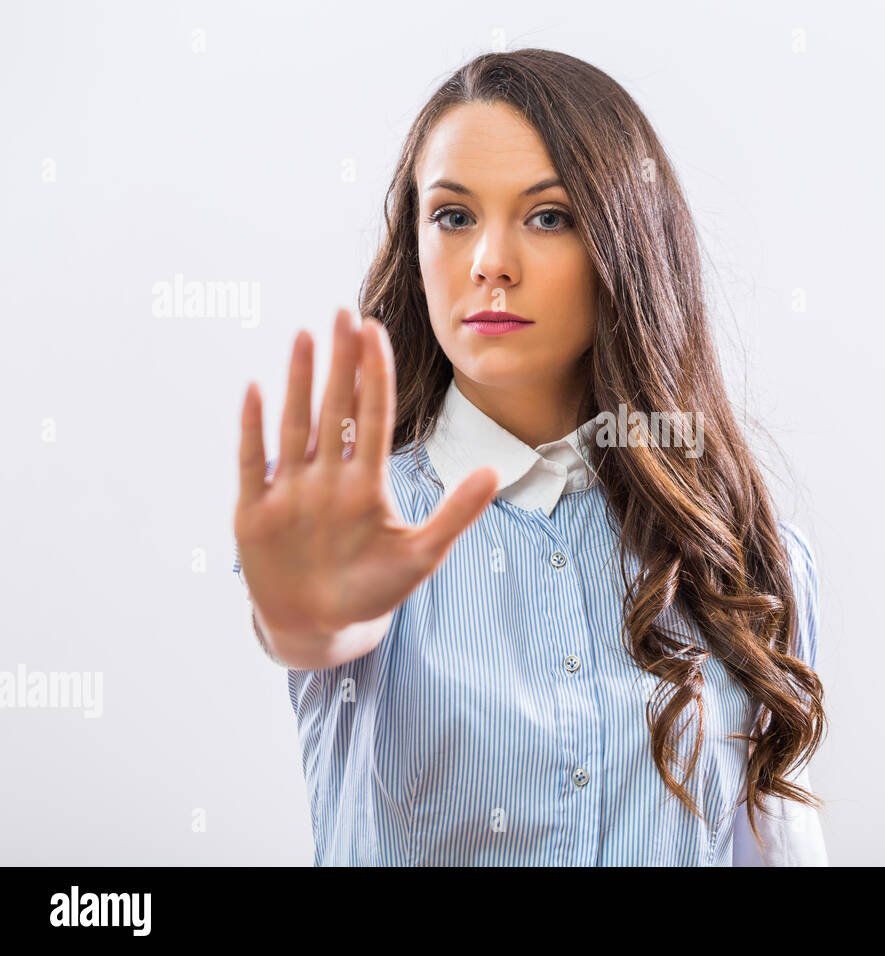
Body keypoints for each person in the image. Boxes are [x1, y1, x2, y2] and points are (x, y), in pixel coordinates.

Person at [232, 48, 828, 866]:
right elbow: (318, 622)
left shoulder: (750, 560)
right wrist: (309, 608)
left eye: (547, 216)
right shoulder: (359, 520)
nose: (490, 263)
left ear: (623, 245)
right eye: (453, 216)